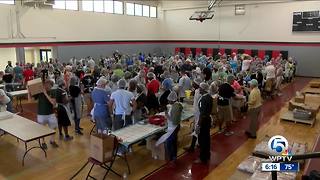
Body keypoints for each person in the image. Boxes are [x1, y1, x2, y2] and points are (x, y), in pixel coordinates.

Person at [33, 79, 59, 148]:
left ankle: (52, 140)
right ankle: (43, 142)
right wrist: (28, 89)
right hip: (41, 114)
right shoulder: (39, 92)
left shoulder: (53, 92)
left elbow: (53, 103)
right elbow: (31, 99)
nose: (46, 86)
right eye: (45, 84)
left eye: (49, 85)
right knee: (42, 129)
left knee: (54, 127)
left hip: (51, 113)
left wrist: (45, 93)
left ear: (51, 86)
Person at [194, 83, 212, 164]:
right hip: (208, 119)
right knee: (207, 138)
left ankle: (202, 158)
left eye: (200, 88)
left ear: (203, 89)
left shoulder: (203, 99)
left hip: (203, 121)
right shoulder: (209, 96)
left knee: (202, 139)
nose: (199, 89)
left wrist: (198, 124)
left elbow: (202, 113)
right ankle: (207, 154)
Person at [184, 78, 202, 152]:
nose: (192, 84)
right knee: (197, 129)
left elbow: (199, 104)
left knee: (196, 129)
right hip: (196, 113)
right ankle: (199, 143)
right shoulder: (197, 91)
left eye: (194, 83)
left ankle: (192, 147)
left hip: (199, 114)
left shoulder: (200, 93)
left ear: (197, 84)